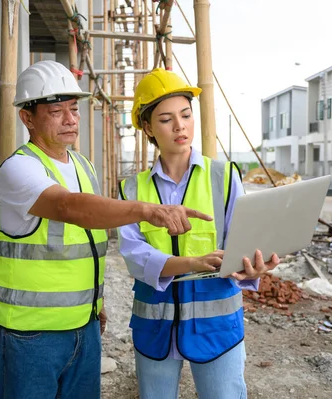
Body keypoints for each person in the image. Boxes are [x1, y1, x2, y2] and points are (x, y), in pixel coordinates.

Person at [0, 60, 212, 399]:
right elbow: (70, 208)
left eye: (73, 109)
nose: (71, 119)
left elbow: (86, 242)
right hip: (29, 334)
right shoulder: (19, 169)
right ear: (27, 117)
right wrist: (149, 211)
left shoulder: (82, 165)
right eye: (56, 111)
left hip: (85, 326)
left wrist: (97, 301)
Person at [118, 68, 280, 399]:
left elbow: (243, 242)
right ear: (147, 127)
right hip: (156, 326)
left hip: (216, 326)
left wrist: (253, 266)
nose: (180, 126)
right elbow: (135, 257)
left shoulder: (224, 176)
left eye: (186, 115)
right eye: (166, 119)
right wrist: (192, 262)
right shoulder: (132, 189)